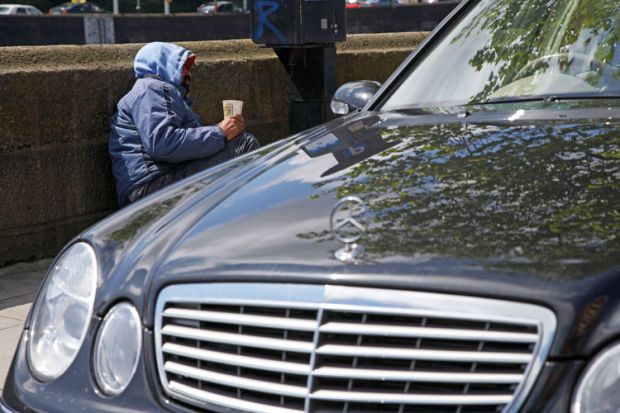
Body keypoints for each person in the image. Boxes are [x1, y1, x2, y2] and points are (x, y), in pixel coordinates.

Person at [109, 42, 260, 207]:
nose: (189, 74)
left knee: (236, 147)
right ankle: (252, 213)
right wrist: (220, 133)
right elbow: (163, 143)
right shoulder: (152, 88)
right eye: (184, 67)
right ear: (165, 64)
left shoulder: (161, 94)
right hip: (151, 188)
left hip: (154, 183)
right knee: (243, 145)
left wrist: (225, 133)